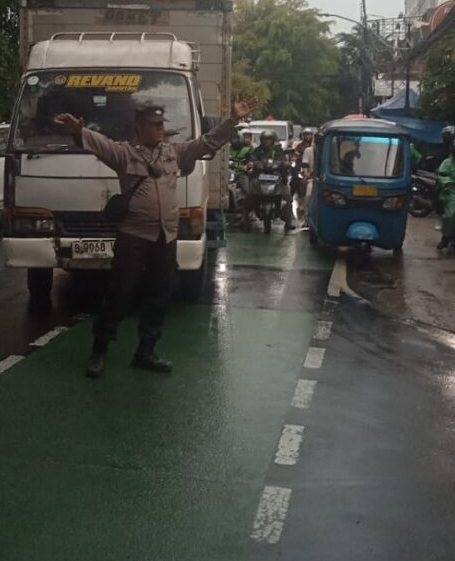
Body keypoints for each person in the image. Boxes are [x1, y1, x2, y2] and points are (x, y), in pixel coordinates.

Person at [54, 97, 256, 377]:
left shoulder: (173, 153)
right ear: (139, 127)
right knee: (120, 295)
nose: (160, 129)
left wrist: (232, 121)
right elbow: (99, 144)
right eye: (154, 125)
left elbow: (207, 143)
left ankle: (146, 352)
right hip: (133, 237)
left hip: (165, 237)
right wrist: (78, 131)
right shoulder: (125, 154)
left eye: (162, 124)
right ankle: (100, 350)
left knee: (159, 295)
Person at [242, 131, 295, 231]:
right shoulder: (257, 150)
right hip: (259, 176)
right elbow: (252, 159)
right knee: (249, 194)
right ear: (262, 140)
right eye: (265, 139)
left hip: (276, 176)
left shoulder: (278, 151)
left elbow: (283, 159)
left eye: (269, 139)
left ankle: (288, 221)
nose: (267, 142)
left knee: (287, 196)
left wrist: (285, 163)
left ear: (273, 140)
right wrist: (251, 163)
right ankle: (244, 218)